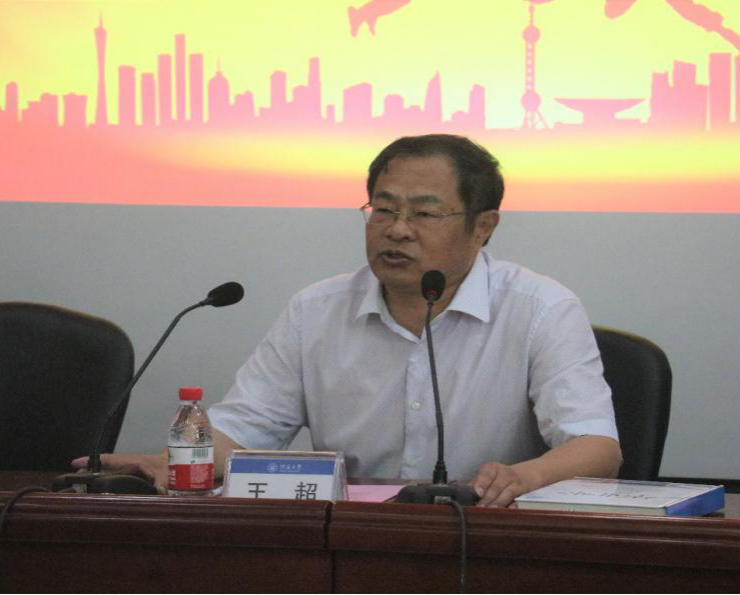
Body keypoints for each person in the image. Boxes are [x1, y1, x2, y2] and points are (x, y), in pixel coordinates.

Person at [74, 134, 622, 507]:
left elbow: (597, 447)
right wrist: (169, 463)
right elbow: (244, 429)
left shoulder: (540, 309)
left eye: (424, 213)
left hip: (489, 536)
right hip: (352, 537)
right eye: (383, 209)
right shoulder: (316, 311)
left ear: (484, 227)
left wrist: (520, 477)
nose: (397, 229)